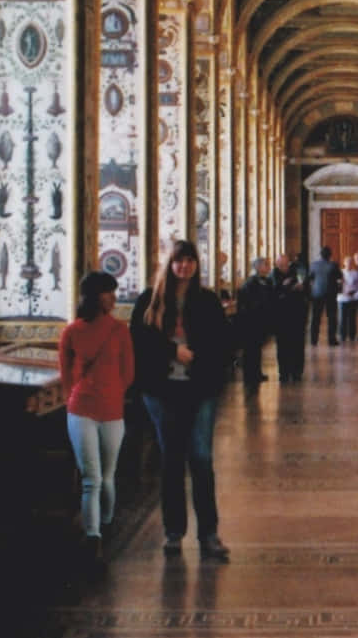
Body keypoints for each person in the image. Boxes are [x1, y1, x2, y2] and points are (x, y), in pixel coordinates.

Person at [131, 240, 232, 560]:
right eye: (178, 261)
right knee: (172, 459)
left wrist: (202, 364)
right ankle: (174, 533)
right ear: (169, 263)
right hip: (162, 391)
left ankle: (209, 533)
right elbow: (140, 339)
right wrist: (173, 351)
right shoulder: (150, 300)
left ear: (196, 264)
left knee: (201, 458)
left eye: (189, 261)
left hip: (199, 389)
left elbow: (221, 342)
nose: (184, 267)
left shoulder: (207, 300)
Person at [57, 270, 135, 566]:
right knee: (92, 478)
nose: (114, 298)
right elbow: (65, 370)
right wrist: (79, 396)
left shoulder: (119, 330)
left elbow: (129, 372)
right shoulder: (72, 331)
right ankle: (93, 535)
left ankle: (106, 521)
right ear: (94, 296)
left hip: (110, 409)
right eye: (109, 292)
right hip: (83, 410)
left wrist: (106, 391)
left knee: (107, 476)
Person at [236, 257, 274, 388]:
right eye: (266, 265)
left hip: (259, 321)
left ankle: (256, 373)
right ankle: (250, 375)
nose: (268, 267)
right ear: (258, 268)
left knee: (257, 349)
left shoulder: (264, 281)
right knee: (251, 349)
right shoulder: (250, 283)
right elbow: (248, 304)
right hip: (251, 322)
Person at [271, 253, 308, 381]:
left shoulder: (296, 272)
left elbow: (304, 285)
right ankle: (284, 372)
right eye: (281, 265)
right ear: (277, 264)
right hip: (281, 317)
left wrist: (301, 287)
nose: (284, 267)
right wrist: (285, 287)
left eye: (286, 264)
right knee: (283, 345)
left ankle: (297, 371)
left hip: (297, 315)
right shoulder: (274, 275)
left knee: (297, 344)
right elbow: (273, 293)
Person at [307, 246, 342, 346]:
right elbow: (339, 279)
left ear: (320, 254)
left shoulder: (314, 265)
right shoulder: (333, 265)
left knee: (315, 318)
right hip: (330, 294)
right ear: (330, 255)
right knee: (331, 317)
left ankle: (313, 340)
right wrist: (339, 289)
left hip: (317, 294)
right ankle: (331, 340)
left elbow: (310, 278)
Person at [338, 254, 358, 344]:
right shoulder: (340, 272)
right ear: (344, 263)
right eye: (347, 262)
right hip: (342, 298)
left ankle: (352, 335)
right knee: (342, 318)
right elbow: (337, 285)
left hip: (352, 298)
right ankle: (342, 335)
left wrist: (354, 292)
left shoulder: (356, 273)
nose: (349, 264)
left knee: (352, 318)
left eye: (350, 262)